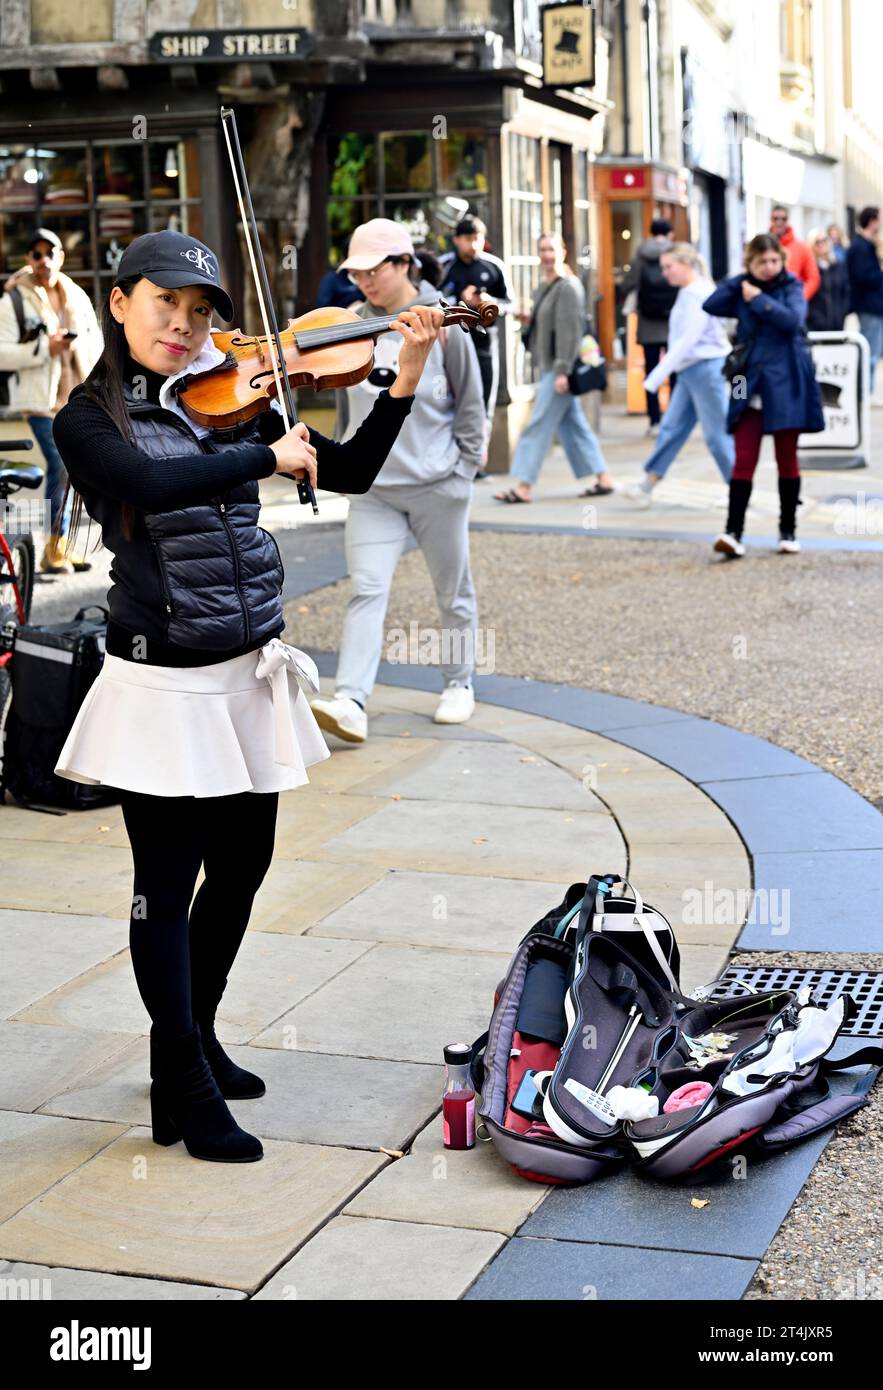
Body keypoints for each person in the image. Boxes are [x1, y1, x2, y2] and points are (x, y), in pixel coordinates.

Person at [50, 230, 442, 1163]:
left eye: (198, 314)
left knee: (242, 869)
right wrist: (262, 460)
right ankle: (179, 1080)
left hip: (244, 671)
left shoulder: (234, 403)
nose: (183, 329)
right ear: (119, 302)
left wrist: (405, 373)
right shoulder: (88, 418)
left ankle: (197, 1039)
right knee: (163, 887)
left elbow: (342, 471)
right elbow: (149, 480)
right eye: (164, 307)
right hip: (161, 682)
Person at [309, 217, 485, 742]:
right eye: (356, 272)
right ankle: (351, 700)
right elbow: (345, 407)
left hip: (438, 484)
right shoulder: (351, 325)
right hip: (375, 489)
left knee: (453, 591)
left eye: (373, 269)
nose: (364, 281)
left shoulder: (443, 321)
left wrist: (464, 470)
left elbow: (471, 404)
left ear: (404, 262)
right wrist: (340, 462)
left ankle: (459, 683)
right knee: (365, 588)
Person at [703, 233, 824, 557]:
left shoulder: (792, 286)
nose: (770, 267)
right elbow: (711, 303)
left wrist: (758, 298)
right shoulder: (742, 286)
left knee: (787, 456)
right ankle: (733, 532)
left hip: (785, 379)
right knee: (743, 457)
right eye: (761, 262)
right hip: (745, 379)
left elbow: (792, 320)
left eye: (774, 261)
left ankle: (788, 530)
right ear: (751, 263)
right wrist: (743, 281)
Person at [0, 227, 102, 574]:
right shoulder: (13, 299)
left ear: (61, 256)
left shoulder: (76, 294)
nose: (43, 260)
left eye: (50, 252)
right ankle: (55, 545)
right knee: (60, 462)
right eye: (35, 253)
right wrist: (47, 347)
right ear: (28, 259)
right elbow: (1, 354)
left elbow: (96, 341)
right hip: (39, 401)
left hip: (77, 396)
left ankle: (63, 545)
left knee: (74, 468)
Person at [494, 231, 615, 503]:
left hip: (559, 369)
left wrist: (562, 370)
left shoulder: (568, 287)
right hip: (550, 365)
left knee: (537, 425)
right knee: (574, 426)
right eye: (543, 250)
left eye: (551, 249)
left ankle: (523, 486)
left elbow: (569, 332)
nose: (547, 255)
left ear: (562, 252)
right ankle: (603, 477)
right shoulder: (544, 287)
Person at [623, 243, 733, 504]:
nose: (664, 273)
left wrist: (655, 377)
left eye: (669, 267)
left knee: (716, 436)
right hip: (691, 371)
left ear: (687, 264)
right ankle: (647, 485)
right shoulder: (690, 292)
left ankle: (738, 487)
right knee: (671, 428)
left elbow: (687, 340)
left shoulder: (698, 294)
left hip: (706, 370)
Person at [439, 214, 515, 471]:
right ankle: (451, 458)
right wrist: (458, 301)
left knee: (483, 402)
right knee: (450, 400)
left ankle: (477, 463)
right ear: (457, 240)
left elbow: (510, 304)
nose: (474, 244)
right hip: (451, 344)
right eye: (468, 239)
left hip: (484, 344)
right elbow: (431, 301)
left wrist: (486, 302)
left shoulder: (494, 266)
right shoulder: (446, 265)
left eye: (478, 238)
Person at [621, 217, 677, 436]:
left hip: (648, 323)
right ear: (670, 233)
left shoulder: (640, 255)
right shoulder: (676, 254)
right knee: (674, 373)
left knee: (651, 372)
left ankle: (654, 420)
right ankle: (673, 417)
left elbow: (628, 284)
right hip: (673, 322)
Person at [846, 206, 883, 389]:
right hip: (869, 306)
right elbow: (862, 277)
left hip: (874, 305)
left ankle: (865, 390)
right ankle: (863, 392)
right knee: (869, 352)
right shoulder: (860, 246)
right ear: (873, 220)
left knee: (873, 351)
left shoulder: (867, 244)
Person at [768, 205, 820, 301]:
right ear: (771, 220)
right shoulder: (763, 246)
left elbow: (813, 279)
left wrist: (798, 299)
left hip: (792, 306)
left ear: (788, 221)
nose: (779, 222)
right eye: (775, 219)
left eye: (783, 219)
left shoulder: (802, 248)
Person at [806, 229, 849, 332]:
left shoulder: (837, 266)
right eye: (817, 242)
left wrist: (842, 313)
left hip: (838, 324)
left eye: (824, 240)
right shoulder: (810, 269)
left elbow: (846, 291)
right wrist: (815, 318)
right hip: (815, 327)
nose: (821, 244)